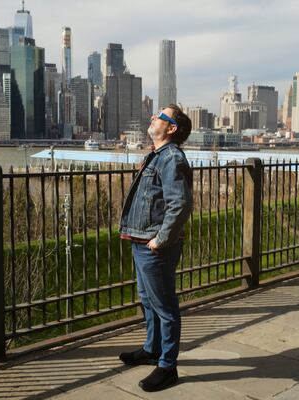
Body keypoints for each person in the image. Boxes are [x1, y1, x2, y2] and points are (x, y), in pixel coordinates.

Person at [118, 104, 193, 392]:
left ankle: (167, 366)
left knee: (165, 307)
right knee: (148, 300)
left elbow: (181, 203)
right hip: (141, 240)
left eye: (160, 116)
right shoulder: (157, 156)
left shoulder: (171, 157)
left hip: (154, 246)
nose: (153, 117)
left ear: (171, 128)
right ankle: (152, 349)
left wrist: (160, 239)